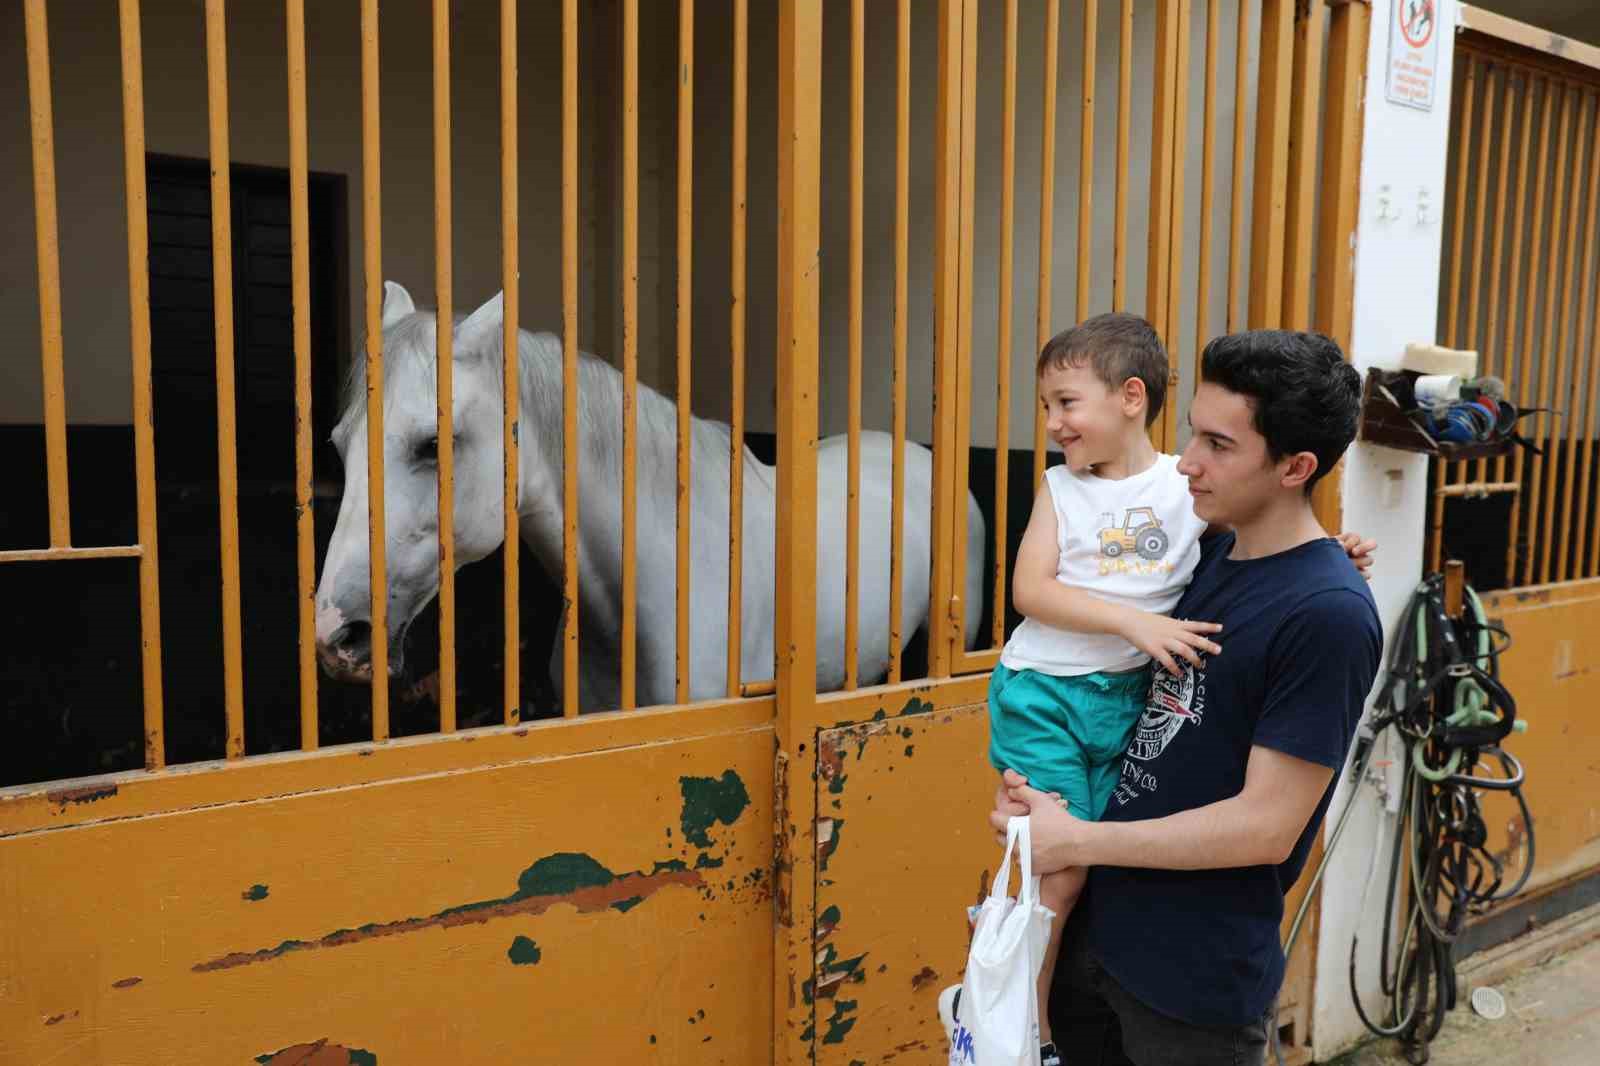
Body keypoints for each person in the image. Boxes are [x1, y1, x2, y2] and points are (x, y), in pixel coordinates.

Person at [941, 317, 1373, 1066]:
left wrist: (1075, 840)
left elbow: (1265, 828)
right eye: (1194, 434)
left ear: (1296, 467)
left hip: (1191, 986)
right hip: (1098, 948)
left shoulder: (1328, 613)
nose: (1185, 465)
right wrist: (1039, 817)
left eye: (1218, 445)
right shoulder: (1212, 553)